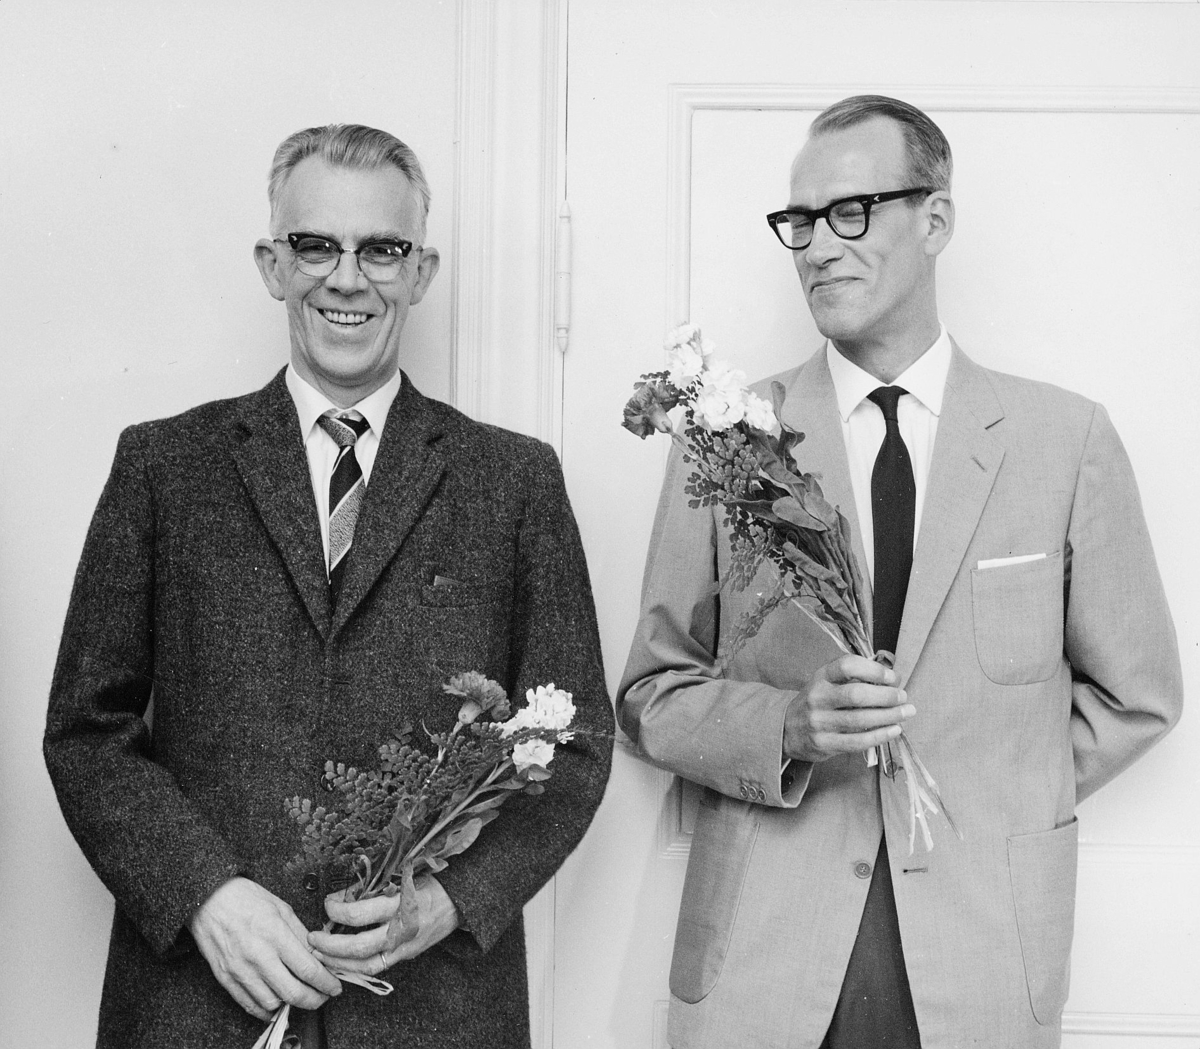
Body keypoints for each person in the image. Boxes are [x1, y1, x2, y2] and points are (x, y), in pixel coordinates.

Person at [617, 95, 1182, 1049]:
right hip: (763, 953)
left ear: (936, 218)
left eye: (852, 212)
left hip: (985, 949)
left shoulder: (1066, 439)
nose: (817, 247)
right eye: (801, 221)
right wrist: (789, 728)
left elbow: (1140, 695)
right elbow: (648, 697)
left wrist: (992, 783)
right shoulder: (725, 440)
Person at [44, 123, 612, 1049]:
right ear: (273, 264)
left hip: (433, 1013)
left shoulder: (515, 482)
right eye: (316, 245)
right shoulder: (163, 467)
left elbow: (575, 743)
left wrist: (452, 900)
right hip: (198, 1006)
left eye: (382, 249)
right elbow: (85, 729)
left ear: (421, 272)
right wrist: (201, 894)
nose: (348, 279)